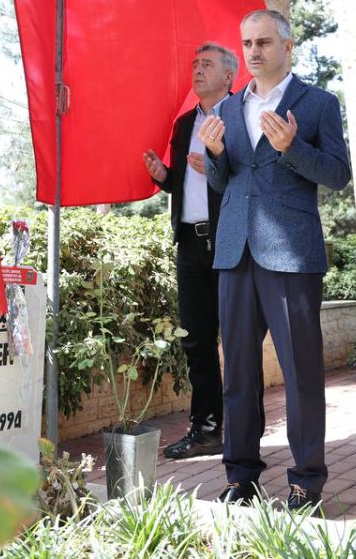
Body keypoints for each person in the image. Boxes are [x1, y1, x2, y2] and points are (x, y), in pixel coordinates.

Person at [199, 9, 351, 513]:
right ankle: (241, 478)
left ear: (287, 46)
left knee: (301, 374)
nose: (253, 51)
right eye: (246, 43)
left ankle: (306, 482)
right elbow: (228, 183)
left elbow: (336, 174)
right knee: (238, 375)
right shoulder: (228, 105)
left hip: (291, 255)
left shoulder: (319, 103)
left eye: (263, 41)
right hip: (234, 252)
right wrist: (217, 156)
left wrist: (291, 149)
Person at [142, 42, 236, 460]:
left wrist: (219, 162)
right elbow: (183, 181)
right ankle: (206, 430)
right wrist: (165, 176)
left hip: (232, 243)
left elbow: (252, 178)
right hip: (190, 244)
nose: (197, 70)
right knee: (196, 341)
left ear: (229, 76)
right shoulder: (183, 125)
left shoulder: (242, 116)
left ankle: (244, 430)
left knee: (237, 341)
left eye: (207, 65)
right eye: (195, 64)